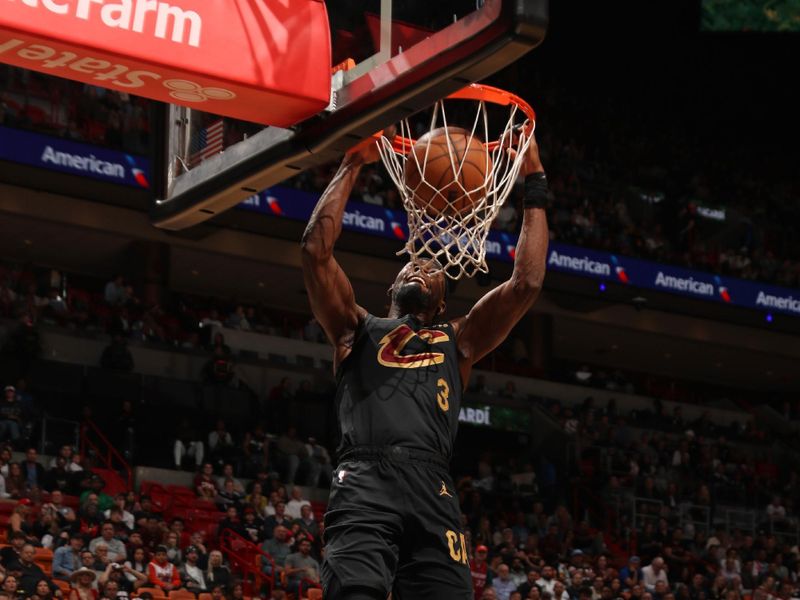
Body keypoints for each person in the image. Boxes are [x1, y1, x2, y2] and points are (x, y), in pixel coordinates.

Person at [300, 132, 548, 599]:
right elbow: (315, 252)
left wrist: (533, 178)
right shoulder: (356, 327)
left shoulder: (459, 340)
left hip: (432, 484)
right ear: (392, 284)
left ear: (440, 303)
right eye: (411, 262)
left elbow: (527, 282)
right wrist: (353, 163)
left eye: (433, 268)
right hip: (365, 477)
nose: (421, 266)